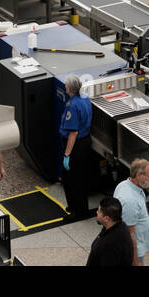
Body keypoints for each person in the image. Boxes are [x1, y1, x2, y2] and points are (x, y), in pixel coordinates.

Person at [59, 73, 94, 218]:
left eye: (66, 85)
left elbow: (72, 133)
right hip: (85, 141)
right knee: (81, 178)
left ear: (69, 88)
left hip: (75, 146)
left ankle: (77, 211)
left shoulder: (72, 106)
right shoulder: (85, 98)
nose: (65, 87)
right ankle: (81, 208)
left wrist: (67, 155)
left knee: (72, 180)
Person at [113, 159, 149, 265]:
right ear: (138, 175)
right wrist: (136, 261)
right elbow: (128, 235)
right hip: (132, 252)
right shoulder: (130, 201)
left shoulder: (124, 184)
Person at [86, 197, 135, 267]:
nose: (96, 212)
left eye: (99, 211)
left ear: (106, 218)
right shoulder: (119, 225)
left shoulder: (110, 245)